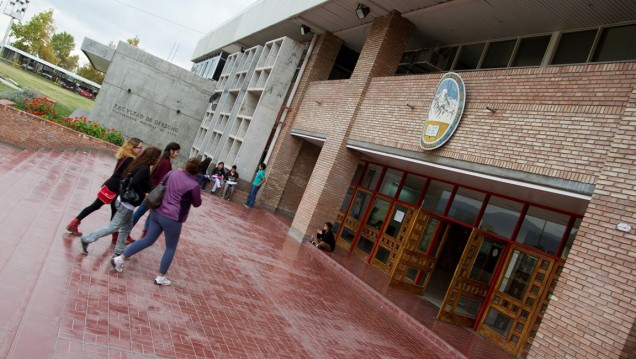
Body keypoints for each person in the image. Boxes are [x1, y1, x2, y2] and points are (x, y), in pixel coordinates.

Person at [110, 157, 203, 286]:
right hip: (173, 219)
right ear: (198, 171)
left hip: (157, 212)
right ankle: (161, 277)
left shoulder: (173, 173)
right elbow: (197, 203)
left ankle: (120, 259)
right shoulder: (194, 185)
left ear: (186, 165)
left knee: (147, 239)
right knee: (170, 247)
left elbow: (160, 185)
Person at [79, 147, 162, 256]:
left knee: (126, 227)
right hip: (126, 204)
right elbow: (135, 183)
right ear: (153, 157)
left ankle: (119, 252)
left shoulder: (138, 163)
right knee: (114, 227)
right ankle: (87, 239)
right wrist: (143, 195)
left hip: (124, 201)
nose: (158, 160)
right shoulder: (144, 168)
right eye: (157, 157)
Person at [65, 137, 143, 236]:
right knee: (99, 207)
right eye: (140, 147)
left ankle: (114, 234)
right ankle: (75, 224)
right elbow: (125, 176)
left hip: (112, 186)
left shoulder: (124, 156)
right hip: (115, 188)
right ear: (132, 147)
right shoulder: (130, 159)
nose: (141, 150)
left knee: (110, 210)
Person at [131, 142, 181, 240]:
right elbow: (163, 180)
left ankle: (144, 234)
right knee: (142, 212)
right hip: (155, 192)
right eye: (177, 152)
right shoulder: (166, 163)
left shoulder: (163, 160)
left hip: (152, 190)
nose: (177, 154)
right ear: (171, 151)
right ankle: (130, 231)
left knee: (148, 213)